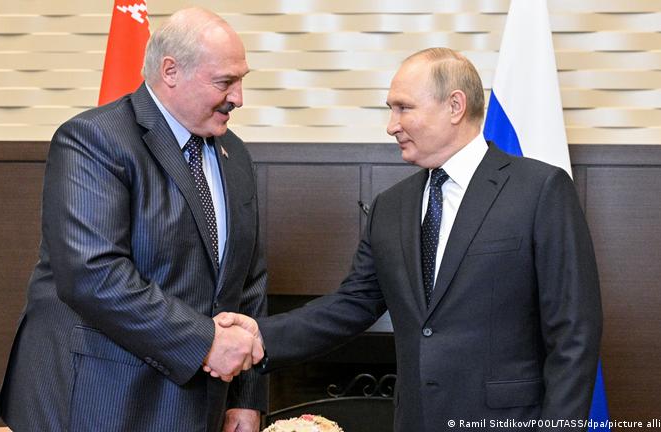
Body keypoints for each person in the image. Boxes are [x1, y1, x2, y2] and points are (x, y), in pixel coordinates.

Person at [215, 48, 602, 432]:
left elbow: (574, 332)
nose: (391, 125)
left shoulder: (539, 190)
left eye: (403, 108)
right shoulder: (391, 206)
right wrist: (262, 335)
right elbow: (352, 305)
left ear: (455, 106)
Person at [0, 8, 267, 432]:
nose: (239, 97)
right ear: (171, 71)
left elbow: (247, 281)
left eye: (241, 80)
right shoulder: (94, 139)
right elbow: (93, 275)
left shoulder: (236, 155)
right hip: (101, 399)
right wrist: (206, 342)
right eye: (224, 82)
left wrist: (246, 399)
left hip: (197, 404)